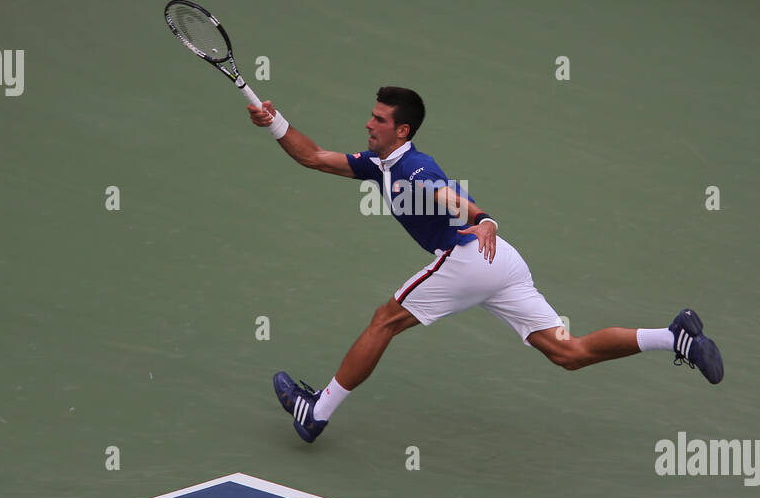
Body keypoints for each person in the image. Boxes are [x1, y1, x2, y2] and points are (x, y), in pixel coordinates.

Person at [248, 86, 722, 443]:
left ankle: (317, 414)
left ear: (402, 131)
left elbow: (452, 198)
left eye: (378, 119)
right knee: (567, 353)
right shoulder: (381, 164)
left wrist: (483, 217)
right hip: (503, 265)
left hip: (469, 259)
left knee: (384, 321)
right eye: (371, 116)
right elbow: (311, 157)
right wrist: (274, 122)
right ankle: (674, 335)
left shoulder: (415, 170)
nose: (368, 124)